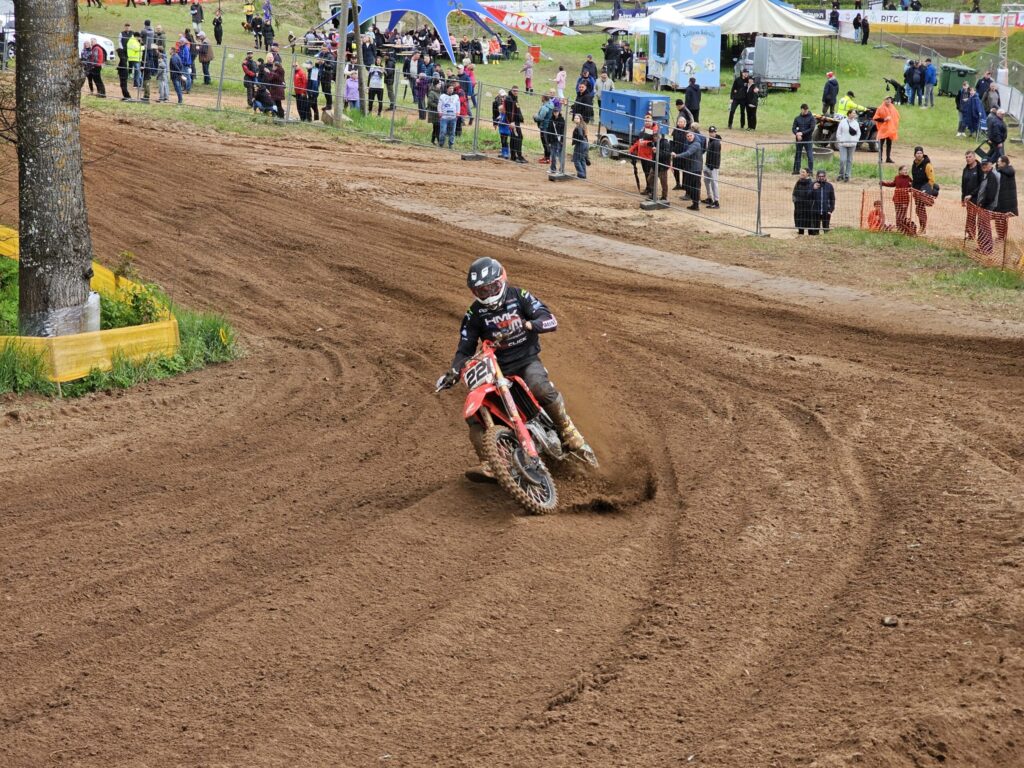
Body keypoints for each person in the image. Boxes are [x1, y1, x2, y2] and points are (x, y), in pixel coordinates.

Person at [435, 257, 588, 480]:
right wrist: (453, 372)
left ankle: (566, 428)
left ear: (502, 280)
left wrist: (531, 324)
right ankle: (490, 462)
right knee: (474, 417)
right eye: (481, 291)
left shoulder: (519, 296)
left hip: (526, 361)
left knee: (539, 386)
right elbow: (465, 349)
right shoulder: (474, 314)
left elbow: (549, 319)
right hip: (496, 369)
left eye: (491, 287)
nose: (488, 294)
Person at [976, 158, 1001, 254]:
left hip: (987, 206)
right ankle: (982, 247)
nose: (984, 166)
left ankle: (987, 249)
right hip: (984, 206)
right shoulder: (987, 175)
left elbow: (991, 195)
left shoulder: (992, 176)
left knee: (985, 227)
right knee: (982, 226)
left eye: (986, 164)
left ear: (991, 164)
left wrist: (982, 203)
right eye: (982, 164)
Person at [882, 165, 915, 234]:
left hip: (905, 200)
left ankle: (903, 227)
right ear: (900, 171)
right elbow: (893, 184)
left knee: (903, 214)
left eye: (906, 170)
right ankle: (899, 227)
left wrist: (910, 189)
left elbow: (912, 187)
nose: (906, 171)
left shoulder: (909, 178)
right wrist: (883, 183)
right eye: (904, 170)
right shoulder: (897, 177)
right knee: (898, 214)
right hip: (897, 199)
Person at [675, 131, 703, 211]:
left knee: (695, 187)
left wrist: (677, 155)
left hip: (695, 169)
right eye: (688, 136)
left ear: (694, 135)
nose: (689, 137)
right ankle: (695, 202)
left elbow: (688, 153)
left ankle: (696, 204)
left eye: (690, 136)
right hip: (691, 168)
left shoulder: (696, 144)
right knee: (689, 186)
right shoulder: (690, 143)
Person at [962, 151, 984, 240]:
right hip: (968, 198)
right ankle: (971, 235)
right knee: (970, 216)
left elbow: (982, 184)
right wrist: (962, 197)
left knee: (981, 218)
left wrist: (972, 194)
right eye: (966, 157)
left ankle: (982, 237)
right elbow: (963, 184)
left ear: (974, 157)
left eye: (970, 157)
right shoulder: (965, 169)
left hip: (978, 197)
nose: (968, 159)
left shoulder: (980, 168)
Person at [994, 155, 1017, 241]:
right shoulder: (1002, 170)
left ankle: (1002, 237)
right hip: (1000, 199)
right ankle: (1000, 236)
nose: (997, 163)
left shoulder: (1009, 170)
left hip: (1006, 200)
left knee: (1003, 219)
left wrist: (998, 169)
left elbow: (1009, 171)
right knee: (998, 218)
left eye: (999, 161)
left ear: (1004, 163)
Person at [874, 95, 900, 163]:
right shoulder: (880, 108)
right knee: (881, 144)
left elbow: (896, 117)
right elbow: (875, 118)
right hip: (883, 129)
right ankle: (880, 159)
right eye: (887, 99)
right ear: (884, 100)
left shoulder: (893, 108)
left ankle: (888, 158)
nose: (888, 100)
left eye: (889, 99)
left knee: (889, 144)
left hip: (890, 129)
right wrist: (884, 119)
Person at [809, 170, 835, 235]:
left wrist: (831, 210)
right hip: (815, 211)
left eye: (823, 176)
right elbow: (808, 196)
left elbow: (832, 199)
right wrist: (813, 189)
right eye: (819, 176)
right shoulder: (812, 185)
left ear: (825, 177)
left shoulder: (829, 186)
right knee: (815, 229)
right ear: (817, 176)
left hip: (826, 211)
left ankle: (826, 240)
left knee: (826, 228)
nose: (821, 178)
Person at [836, 108, 860, 182]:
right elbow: (838, 132)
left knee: (849, 160)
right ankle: (841, 174)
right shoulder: (842, 122)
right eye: (853, 113)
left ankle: (847, 175)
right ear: (849, 114)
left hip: (852, 145)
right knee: (842, 160)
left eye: (855, 113)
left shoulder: (856, 123)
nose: (854, 114)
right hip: (843, 144)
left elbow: (858, 133)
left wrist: (855, 141)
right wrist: (840, 140)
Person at [505, 86, 527, 164]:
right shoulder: (509, 99)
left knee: (515, 138)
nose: (516, 92)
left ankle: (514, 156)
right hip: (513, 122)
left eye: (517, 91)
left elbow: (517, 109)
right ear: (511, 91)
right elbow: (508, 111)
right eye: (514, 91)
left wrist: (521, 118)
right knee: (518, 138)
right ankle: (518, 156)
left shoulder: (514, 98)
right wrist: (511, 122)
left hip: (517, 122)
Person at [792, 103, 815, 174]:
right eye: (804, 110)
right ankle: (796, 170)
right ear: (801, 109)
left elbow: (811, 128)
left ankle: (810, 171)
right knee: (798, 155)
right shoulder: (797, 118)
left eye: (806, 110)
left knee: (810, 156)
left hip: (808, 140)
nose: (805, 111)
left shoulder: (811, 118)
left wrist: (802, 133)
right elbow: (793, 128)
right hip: (799, 140)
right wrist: (797, 134)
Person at [702, 125, 721, 209]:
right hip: (707, 165)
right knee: (706, 181)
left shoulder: (716, 142)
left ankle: (716, 202)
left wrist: (712, 166)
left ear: (715, 132)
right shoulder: (710, 140)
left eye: (713, 132)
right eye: (710, 132)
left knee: (714, 184)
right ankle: (709, 198)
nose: (711, 133)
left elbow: (716, 156)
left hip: (713, 167)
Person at [792, 168, 813, 234]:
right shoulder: (798, 182)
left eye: (803, 172)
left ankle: (810, 235)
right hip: (799, 206)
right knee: (800, 221)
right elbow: (794, 193)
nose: (801, 173)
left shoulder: (811, 183)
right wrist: (795, 201)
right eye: (801, 172)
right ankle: (800, 233)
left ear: (808, 174)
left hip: (808, 206)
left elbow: (811, 194)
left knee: (809, 221)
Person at [438, 83, 459, 149]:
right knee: (443, 131)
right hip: (444, 117)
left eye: (452, 88)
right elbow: (439, 105)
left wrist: (458, 113)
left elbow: (458, 105)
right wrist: (440, 112)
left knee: (452, 132)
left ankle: (451, 144)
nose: (451, 89)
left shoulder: (456, 96)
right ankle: (441, 144)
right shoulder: (442, 96)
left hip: (453, 117)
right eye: (450, 88)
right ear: (447, 89)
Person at [549, 101, 566, 174]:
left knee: (559, 155)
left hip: (559, 140)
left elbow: (563, 131)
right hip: (553, 140)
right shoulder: (551, 120)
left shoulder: (562, 120)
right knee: (553, 155)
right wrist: (549, 141)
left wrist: (562, 140)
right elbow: (549, 130)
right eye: (554, 112)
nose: (555, 113)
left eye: (557, 112)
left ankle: (561, 169)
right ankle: (553, 169)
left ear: (559, 112)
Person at [571, 113, 589, 179]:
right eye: (575, 118)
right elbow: (585, 136)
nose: (576, 119)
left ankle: (581, 174)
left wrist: (577, 141)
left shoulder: (579, 126)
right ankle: (583, 174)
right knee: (582, 159)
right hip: (585, 143)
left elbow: (581, 136)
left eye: (577, 118)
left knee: (576, 159)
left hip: (580, 144)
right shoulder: (583, 125)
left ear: (580, 119)